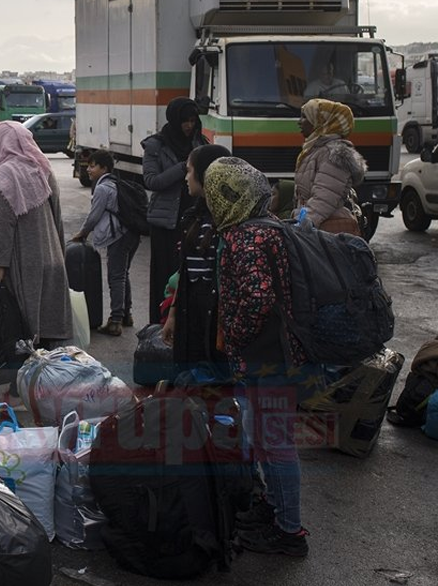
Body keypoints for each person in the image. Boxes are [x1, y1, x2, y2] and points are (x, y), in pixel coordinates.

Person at [203, 156, 309, 557]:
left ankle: (289, 532)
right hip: (280, 353)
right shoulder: (270, 227)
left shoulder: (244, 238)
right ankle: (276, 508)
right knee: (266, 437)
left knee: (276, 442)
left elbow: (258, 298)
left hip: (269, 358)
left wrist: (237, 336)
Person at [0, 121, 71, 345]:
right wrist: (60, 254)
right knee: (51, 332)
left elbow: (3, 225)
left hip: (26, 263)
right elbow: (58, 217)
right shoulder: (43, 168)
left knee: (27, 329)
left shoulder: (6, 174)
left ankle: (30, 376)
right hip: (52, 259)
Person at [160, 144, 232, 373]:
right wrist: (173, 313)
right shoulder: (193, 217)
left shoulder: (229, 222)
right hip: (190, 315)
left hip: (216, 322)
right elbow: (185, 272)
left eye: (190, 171)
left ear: (207, 174)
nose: (186, 178)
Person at [141, 96, 207, 326]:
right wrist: (183, 167)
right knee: (164, 278)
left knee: (191, 274)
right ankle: (158, 326)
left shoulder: (200, 142)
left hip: (195, 219)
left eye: (192, 120)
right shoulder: (155, 145)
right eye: (184, 121)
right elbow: (152, 181)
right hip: (165, 223)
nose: (189, 126)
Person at [71, 149, 138, 337]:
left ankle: (115, 321)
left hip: (118, 236)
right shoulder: (116, 183)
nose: (89, 170)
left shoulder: (102, 188)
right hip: (131, 234)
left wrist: (82, 233)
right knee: (122, 273)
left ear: (104, 168)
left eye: (93, 166)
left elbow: (94, 216)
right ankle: (126, 315)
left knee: (116, 276)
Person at [294, 99, 366, 236]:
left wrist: (301, 224)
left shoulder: (333, 153)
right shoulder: (316, 149)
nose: (299, 122)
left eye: (305, 117)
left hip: (324, 233)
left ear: (321, 122)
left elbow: (324, 198)